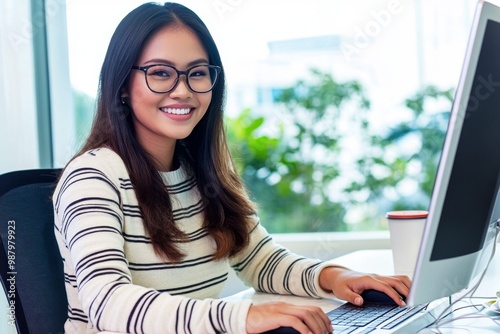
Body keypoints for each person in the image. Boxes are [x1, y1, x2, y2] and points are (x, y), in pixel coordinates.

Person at [53, 2, 411, 334]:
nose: (183, 90)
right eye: (160, 73)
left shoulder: (200, 174)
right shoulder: (92, 178)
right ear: (123, 87)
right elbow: (108, 303)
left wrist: (336, 277)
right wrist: (243, 316)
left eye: (197, 73)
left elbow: (262, 262)